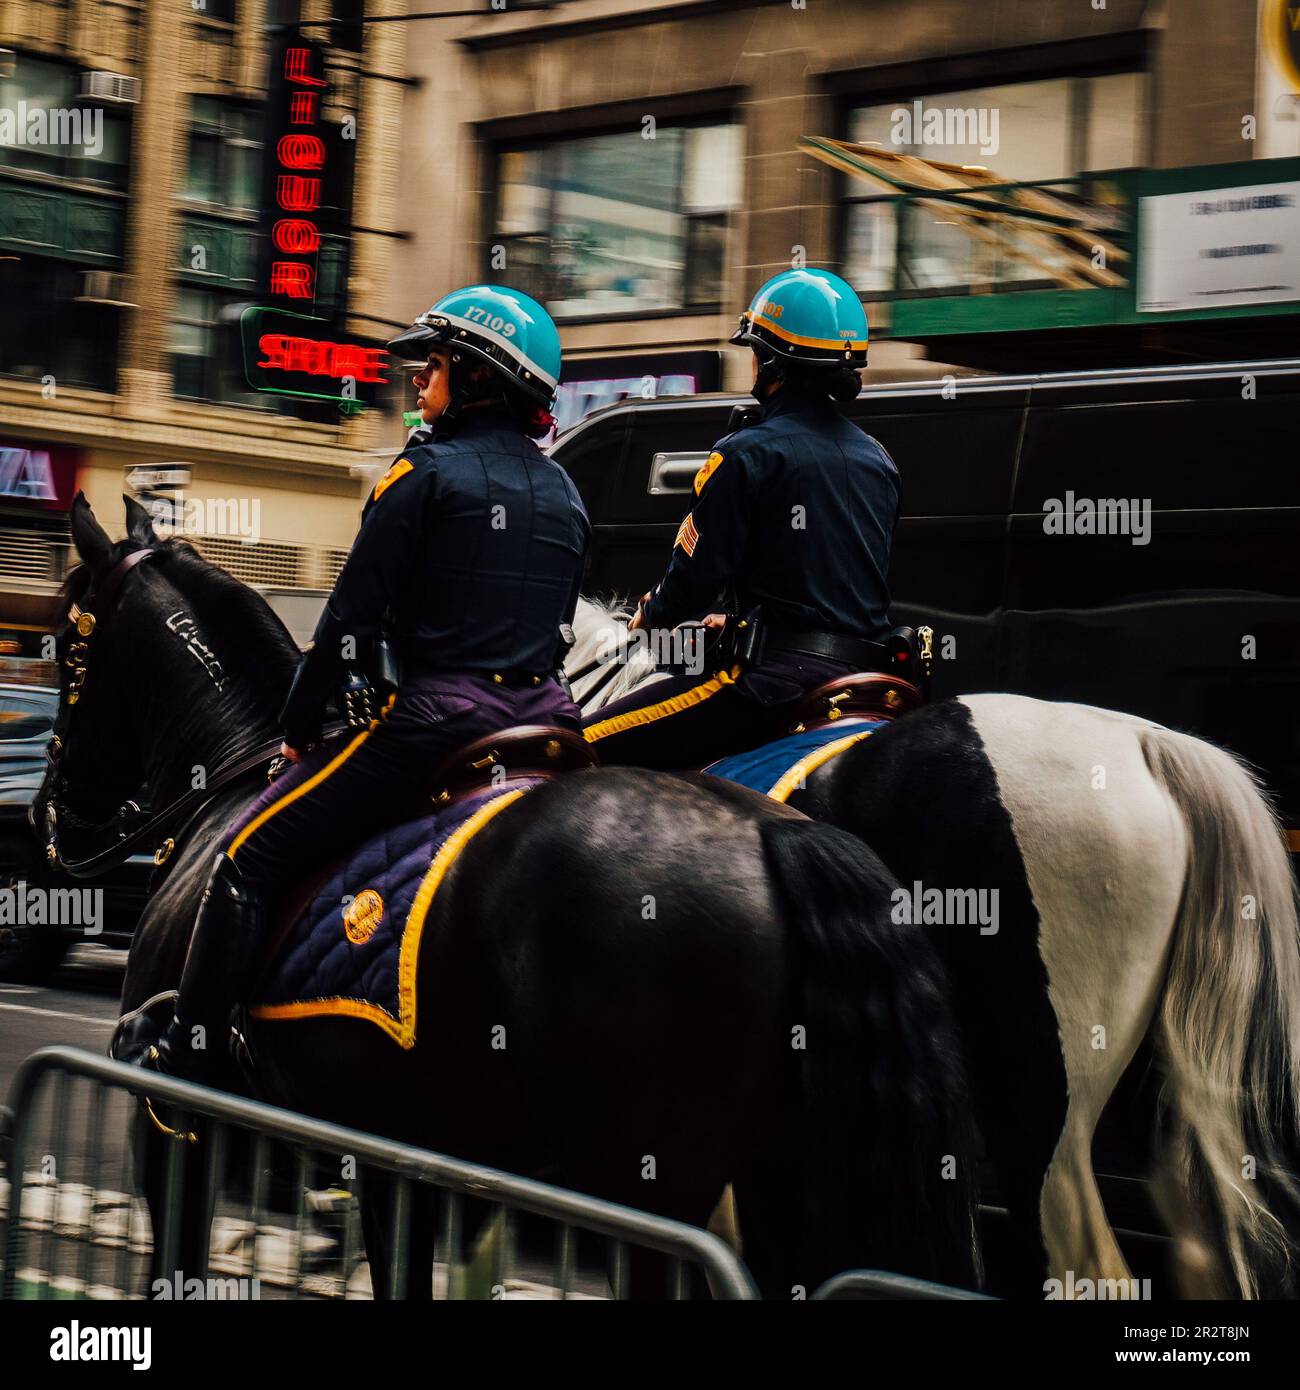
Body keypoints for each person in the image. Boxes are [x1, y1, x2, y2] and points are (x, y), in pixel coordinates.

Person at [143, 284, 589, 1081]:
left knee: (246, 854)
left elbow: (348, 621)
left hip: (438, 723)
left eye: (437, 364)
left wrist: (295, 729)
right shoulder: (564, 491)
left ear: (480, 378)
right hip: (548, 725)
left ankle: (190, 1050)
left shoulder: (421, 474)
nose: (418, 379)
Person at [581, 267, 898, 770]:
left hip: (778, 681)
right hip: (872, 682)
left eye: (755, 354)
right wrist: (740, 618)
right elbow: (834, 584)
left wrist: (652, 614)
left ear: (770, 363)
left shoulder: (746, 453)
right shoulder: (876, 458)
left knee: (577, 749)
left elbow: (694, 581)